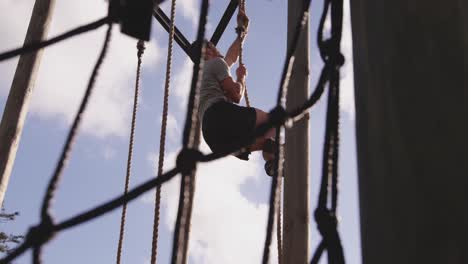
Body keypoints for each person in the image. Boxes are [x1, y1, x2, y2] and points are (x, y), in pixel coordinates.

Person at [197, 9, 277, 176]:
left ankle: (272, 160)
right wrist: (241, 78)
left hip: (212, 138)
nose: (217, 50)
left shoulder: (203, 80)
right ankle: (282, 148)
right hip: (219, 115)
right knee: (270, 121)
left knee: (265, 141)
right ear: (208, 52)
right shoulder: (215, 64)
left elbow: (231, 58)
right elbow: (236, 95)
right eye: (213, 47)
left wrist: (242, 34)